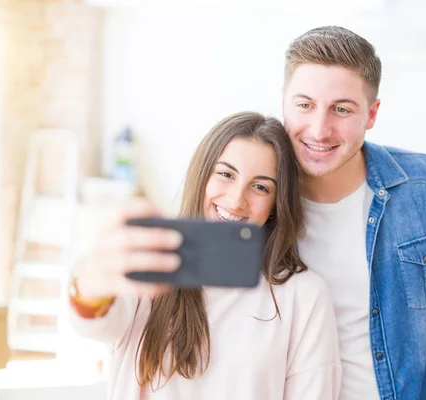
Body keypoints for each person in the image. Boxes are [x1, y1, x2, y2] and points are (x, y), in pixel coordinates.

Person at [282, 26, 426, 399]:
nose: (319, 129)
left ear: (371, 114)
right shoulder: (258, 199)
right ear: (284, 103)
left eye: (341, 109)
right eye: (304, 105)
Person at [68, 112, 341, 400]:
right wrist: (90, 282)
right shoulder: (153, 261)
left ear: (275, 204)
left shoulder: (303, 295)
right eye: (225, 174)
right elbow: (93, 322)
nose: (237, 199)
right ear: (202, 176)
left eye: (261, 187)